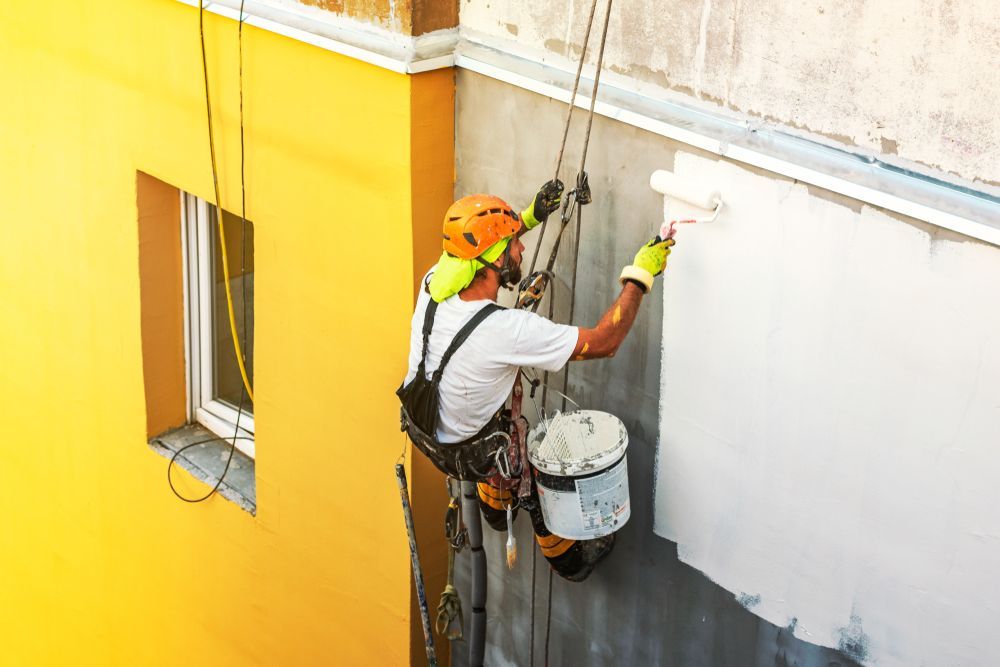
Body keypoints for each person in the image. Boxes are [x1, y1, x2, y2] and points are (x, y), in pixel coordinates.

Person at [398, 180, 673, 581]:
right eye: (513, 245)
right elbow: (605, 341)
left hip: (425, 428)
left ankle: (494, 510)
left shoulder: (434, 281)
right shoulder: (509, 330)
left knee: (497, 402)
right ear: (492, 263)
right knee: (534, 462)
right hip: (470, 449)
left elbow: (481, 250)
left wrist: (529, 217)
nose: (522, 249)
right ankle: (566, 556)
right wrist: (640, 273)